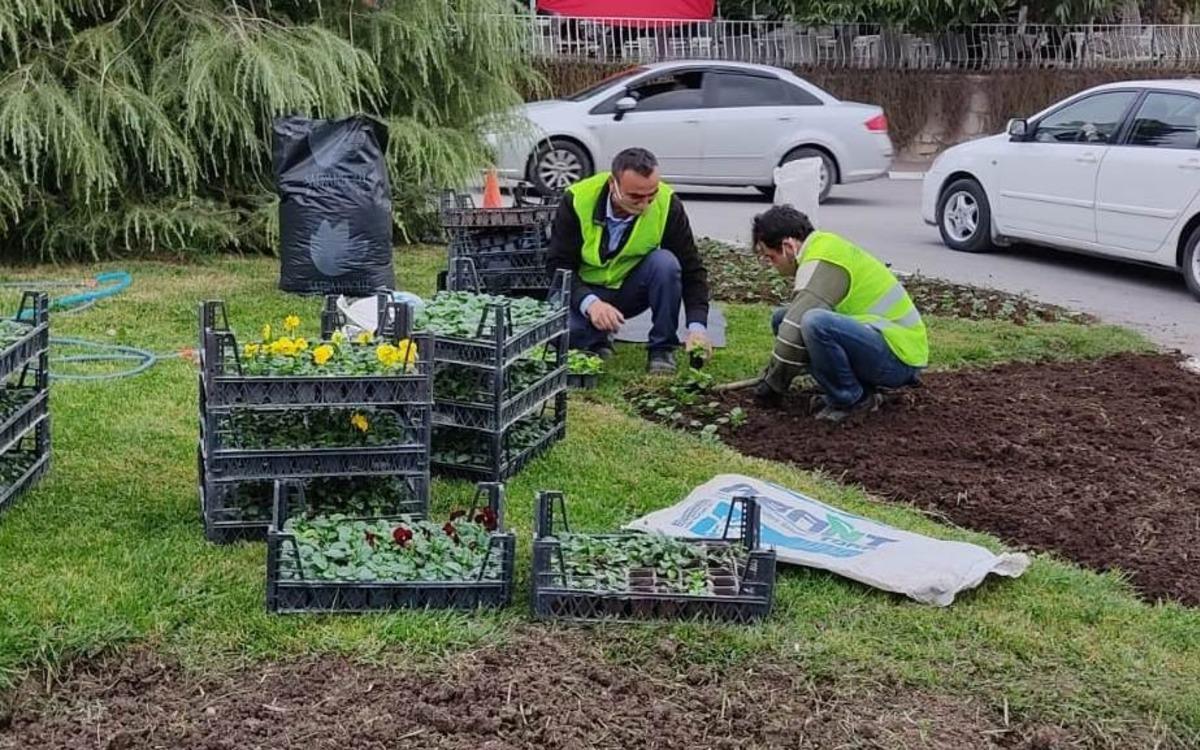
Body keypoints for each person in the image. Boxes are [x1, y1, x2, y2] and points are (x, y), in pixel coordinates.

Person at [750, 205, 927, 422]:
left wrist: (772, 385)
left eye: (770, 257)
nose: (771, 265)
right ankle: (851, 390)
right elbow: (789, 323)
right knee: (782, 318)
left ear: (788, 246)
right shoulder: (823, 249)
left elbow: (796, 326)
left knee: (813, 322)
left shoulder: (824, 259)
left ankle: (852, 399)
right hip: (881, 347)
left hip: (901, 356)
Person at [547, 147, 712, 374]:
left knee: (665, 263)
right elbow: (558, 265)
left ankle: (662, 349)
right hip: (585, 293)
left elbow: (691, 269)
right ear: (613, 184)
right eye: (635, 196)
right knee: (565, 336)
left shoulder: (667, 203)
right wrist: (591, 304)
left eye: (650, 194)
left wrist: (697, 327)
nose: (644, 204)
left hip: (629, 291)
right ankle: (597, 339)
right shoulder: (577, 199)